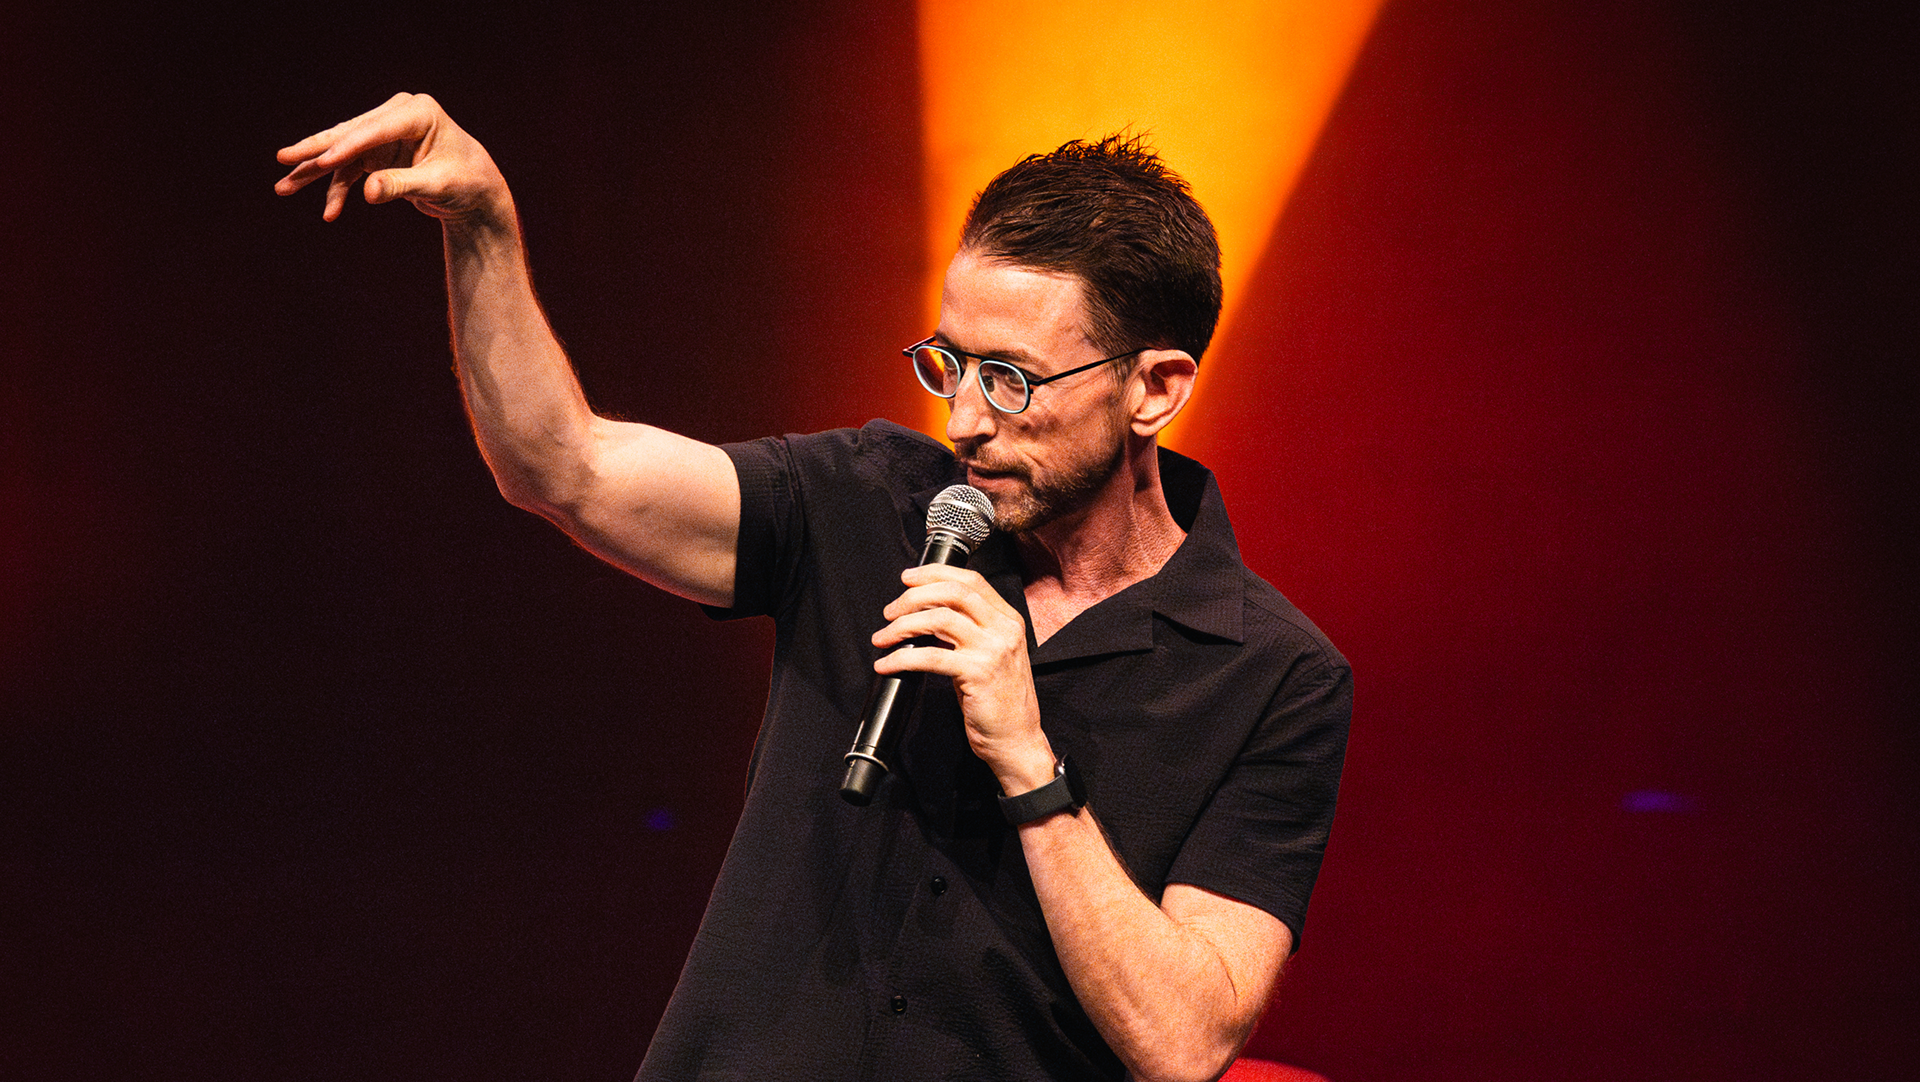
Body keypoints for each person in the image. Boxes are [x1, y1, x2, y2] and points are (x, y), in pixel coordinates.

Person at [276, 93, 1349, 1082]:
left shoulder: (1275, 676)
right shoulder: (869, 499)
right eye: (950, 363)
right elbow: (565, 468)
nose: (965, 419)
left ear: (1155, 388)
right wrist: (484, 227)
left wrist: (1029, 760)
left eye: (1011, 379)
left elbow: (1183, 1040)